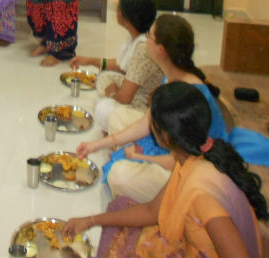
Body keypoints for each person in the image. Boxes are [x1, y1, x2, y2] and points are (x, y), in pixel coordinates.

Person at [76, 14, 269, 203]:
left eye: (150, 36)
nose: (146, 39)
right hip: (168, 145)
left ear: (161, 50)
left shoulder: (189, 95)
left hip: (190, 169)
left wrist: (138, 156)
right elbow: (146, 123)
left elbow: (181, 160)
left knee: (119, 176)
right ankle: (129, 156)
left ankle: (136, 167)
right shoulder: (170, 75)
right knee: (117, 115)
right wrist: (97, 145)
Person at [63, 82, 267, 258]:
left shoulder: (203, 194)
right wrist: (90, 221)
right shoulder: (191, 157)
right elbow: (153, 211)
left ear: (165, 137)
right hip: (190, 245)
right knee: (119, 206)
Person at [69, 0, 162, 132]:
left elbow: (125, 98)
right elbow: (121, 66)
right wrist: (90, 61)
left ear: (127, 20)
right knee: (103, 76)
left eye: (119, 9)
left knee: (103, 109)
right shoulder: (137, 37)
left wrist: (112, 93)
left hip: (142, 107)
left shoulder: (143, 49)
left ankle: (118, 130)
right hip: (134, 89)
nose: (116, 11)